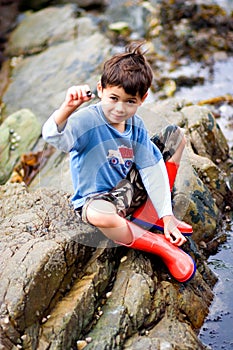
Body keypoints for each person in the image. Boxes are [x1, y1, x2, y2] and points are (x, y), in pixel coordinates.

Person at [42, 42, 196, 282]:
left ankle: (153, 216)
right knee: (101, 215)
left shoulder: (136, 126)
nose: (119, 109)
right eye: (113, 98)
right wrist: (67, 109)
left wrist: (167, 215)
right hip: (99, 201)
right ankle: (161, 247)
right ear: (100, 89)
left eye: (129, 101)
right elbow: (54, 137)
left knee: (175, 137)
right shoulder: (86, 120)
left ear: (142, 99)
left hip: (129, 189)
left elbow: (151, 168)